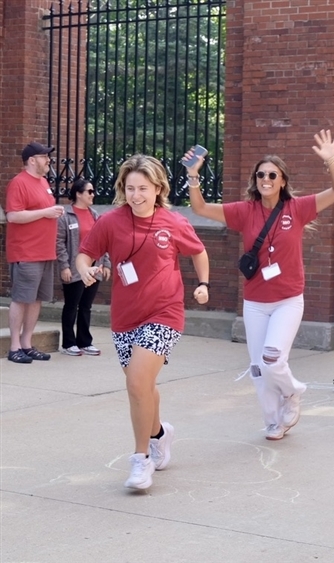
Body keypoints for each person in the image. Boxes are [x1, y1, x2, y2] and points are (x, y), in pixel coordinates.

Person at [184, 130, 334, 441]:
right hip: (256, 301)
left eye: (272, 174)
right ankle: (274, 421)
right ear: (255, 179)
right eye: (261, 174)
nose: (266, 179)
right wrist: (194, 176)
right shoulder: (245, 211)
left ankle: (293, 391)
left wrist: (331, 161)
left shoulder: (297, 208)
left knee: (273, 358)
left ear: (282, 180)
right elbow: (201, 209)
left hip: (287, 299)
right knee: (259, 368)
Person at [76, 155, 210, 490]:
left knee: (136, 383)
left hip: (164, 313)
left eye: (143, 189)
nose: (136, 195)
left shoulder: (174, 222)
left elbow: (198, 251)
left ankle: (141, 460)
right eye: (131, 188)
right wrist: (84, 270)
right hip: (125, 317)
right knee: (143, 388)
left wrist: (203, 284)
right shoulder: (110, 222)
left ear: (158, 188)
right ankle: (160, 434)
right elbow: (85, 253)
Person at [4, 142, 65, 364]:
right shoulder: (18, 183)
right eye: (44, 156)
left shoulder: (43, 182)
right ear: (32, 160)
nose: (48, 160)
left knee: (37, 299)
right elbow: (13, 216)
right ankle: (14, 347)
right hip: (26, 252)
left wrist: (48, 213)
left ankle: (27, 344)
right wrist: (46, 212)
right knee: (22, 299)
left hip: (45, 252)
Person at [56, 178, 111, 356]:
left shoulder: (95, 215)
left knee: (86, 306)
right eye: (89, 191)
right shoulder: (65, 215)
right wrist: (64, 266)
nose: (93, 194)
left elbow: (104, 241)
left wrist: (106, 263)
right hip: (74, 268)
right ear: (78, 194)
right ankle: (68, 343)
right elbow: (59, 243)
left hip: (94, 267)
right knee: (72, 305)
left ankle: (85, 341)